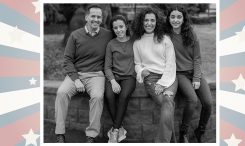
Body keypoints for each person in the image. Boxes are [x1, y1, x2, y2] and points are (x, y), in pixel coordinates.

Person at [54, 5, 113, 143]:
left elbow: (123, 39)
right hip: (76, 74)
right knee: (61, 92)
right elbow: (67, 60)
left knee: (98, 97)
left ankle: (91, 135)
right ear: (86, 17)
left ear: (101, 19)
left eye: (99, 17)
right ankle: (60, 133)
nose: (96, 19)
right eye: (93, 16)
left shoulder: (107, 35)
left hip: (96, 75)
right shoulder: (75, 35)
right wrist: (76, 79)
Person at [165, 6, 213, 143]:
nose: (175, 20)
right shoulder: (166, 35)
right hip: (179, 74)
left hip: (194, 72)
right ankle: (183, 134)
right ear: (168, 19)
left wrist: (197, 77)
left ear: (183, 18)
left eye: (179, 17)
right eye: (172, 17)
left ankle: (200, 130)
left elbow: (197, 58)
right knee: (192, 99)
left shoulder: (191, 33)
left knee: (208, 103)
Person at [132, 7, 178, 143]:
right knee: (168, 104)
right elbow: (137, 63)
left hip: (169, 77)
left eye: (152, 20)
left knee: (167, 102)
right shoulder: (137, 42)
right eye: (146, 20)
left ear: (157, 22)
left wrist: (163, 83)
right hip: (150, 78)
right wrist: (141, 71)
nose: (149, 23)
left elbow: (171, 63)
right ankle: (172, 142)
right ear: (141, 22)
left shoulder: (165, 39)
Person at [104, 15, 136, 143]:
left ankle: (115, 131)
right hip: (114, 77)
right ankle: (120, 128)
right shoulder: (111, 44)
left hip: (129, 77)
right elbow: (107, 67)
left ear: (126, 26)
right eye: (115, 28)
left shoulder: (134, 41)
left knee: (123, 97)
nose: (119, 30)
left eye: (121, 26)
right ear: (113, 29)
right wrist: (112, 81)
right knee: (109, 96)